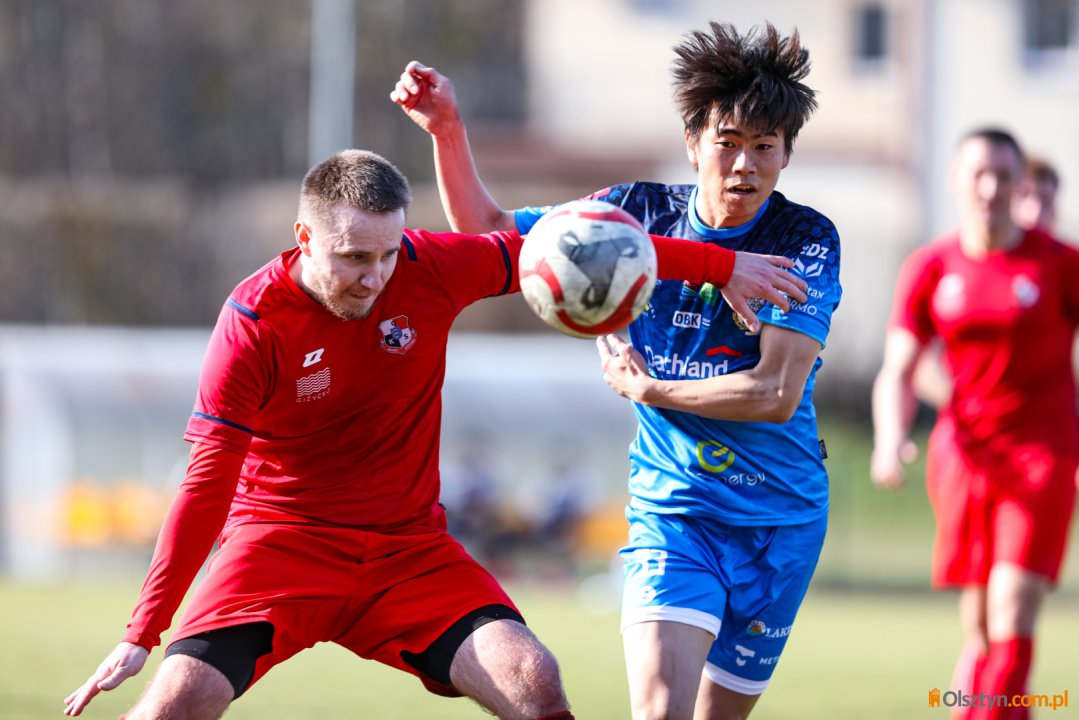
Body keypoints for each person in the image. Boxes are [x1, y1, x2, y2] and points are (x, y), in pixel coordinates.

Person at [63, 149, 803, 720]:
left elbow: (574, 247)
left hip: (407, 552)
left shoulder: (430, 267)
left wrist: (721, 266)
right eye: (354, 257)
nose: (376, 276)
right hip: (279, 542)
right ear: (304, 239)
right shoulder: (253, 324)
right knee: (174, 704)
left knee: (533, 679)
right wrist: (143, 629)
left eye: (388, 253)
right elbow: (207, 481)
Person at [392, 21, 842, 720]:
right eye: (726, 143)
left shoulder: (804, 239)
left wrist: (652, 390)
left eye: (764, 146)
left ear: (786, 153)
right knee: (660, 710)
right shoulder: (631, 216)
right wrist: (447, 129)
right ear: (692, 142)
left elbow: (775, 394)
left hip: (780, 523)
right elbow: (489, 228)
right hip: (675, 511)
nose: (743, 165)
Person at [871, 129, 1079, 720]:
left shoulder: (1059, 264)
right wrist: (889, 438)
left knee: (1013, 609)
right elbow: (898, 370)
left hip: (1041, 454)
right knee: (983, 629)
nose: (990, 188)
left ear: (1018, 184)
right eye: (979, 175)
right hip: (963, 459)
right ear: (955, 180)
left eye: (1003, 176)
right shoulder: (931, 267)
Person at [913, 154, 1064, 408]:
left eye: (1045, 201)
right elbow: (920, 365)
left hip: (1048, 430)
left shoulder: (1064, 268)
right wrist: (975, 407)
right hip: (972, 428)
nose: (1035, 211)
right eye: (1026, 197)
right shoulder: (954, 262)